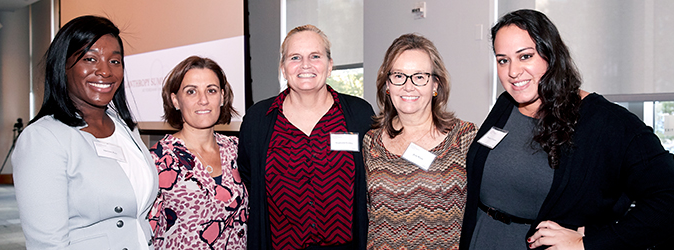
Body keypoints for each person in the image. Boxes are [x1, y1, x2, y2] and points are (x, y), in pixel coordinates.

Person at [460, 9, 674, 250]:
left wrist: (588, 244)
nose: (513, 72)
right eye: (502, 60)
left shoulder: (608, 122)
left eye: (525, 56)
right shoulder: (506, 104)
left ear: (551, 54)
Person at [12, 16, 158, 249]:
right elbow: (48, 244)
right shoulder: (43, 138)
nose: (105, 71)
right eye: (90, 59)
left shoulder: (125, 127)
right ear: (63, 65)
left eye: (115, 61)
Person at [238, 24, 374, 249]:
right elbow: (249, 176)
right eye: (295, 58)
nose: (305, 65)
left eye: (315, 56)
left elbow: (371, 178)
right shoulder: (258, 119)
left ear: (329, 66)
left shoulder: (359, 114)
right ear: (283, 67)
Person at [363, 33, 477, 249]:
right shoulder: (370, 143)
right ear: (387, 84)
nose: (408, 86)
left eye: (419, 76)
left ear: (435, 84)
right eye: (398, 76)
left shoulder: (465, 137)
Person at [147, 56, 248, 249]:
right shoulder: (159, 159)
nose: (203, 100)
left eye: (211, 90)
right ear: (175, 100)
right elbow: (148, 230)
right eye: (191, 92)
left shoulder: (237, 149)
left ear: (222, 97)